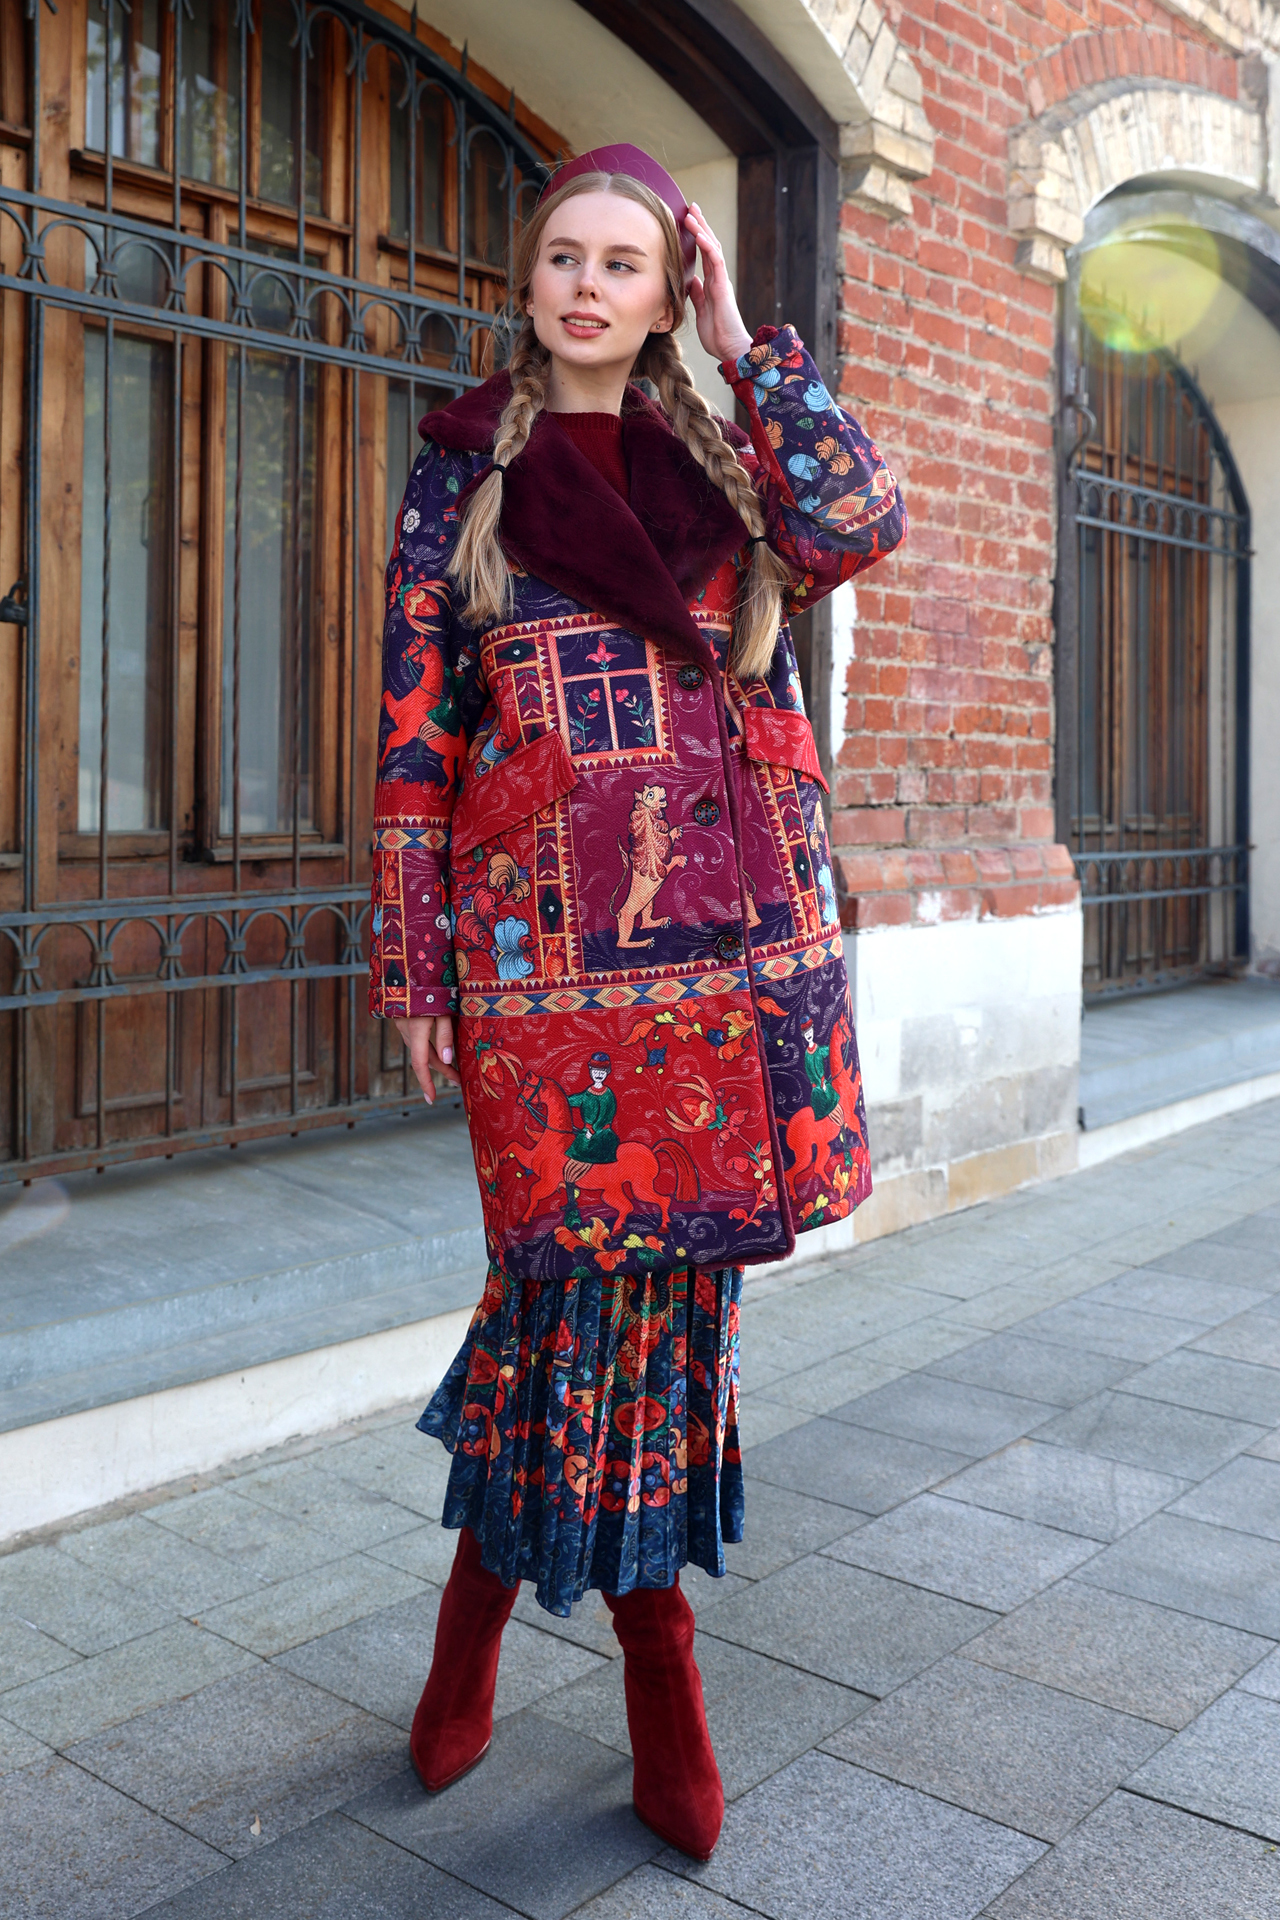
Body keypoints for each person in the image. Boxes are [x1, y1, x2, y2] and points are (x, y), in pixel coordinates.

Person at [368, 141, 905, 1860]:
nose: (586, 285)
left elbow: (859, 523)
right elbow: (414, 735)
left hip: (731, 955)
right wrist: (413, 957)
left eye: (623, 262)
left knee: (674, 1320)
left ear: (669, 290)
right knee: (553, 1295)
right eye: (563, 258)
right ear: (528, 283)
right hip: (547, 966)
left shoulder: (727, 464)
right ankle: (530, 1640)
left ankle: (622, 1658)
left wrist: (749, 348)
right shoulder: (462, 471)